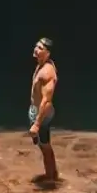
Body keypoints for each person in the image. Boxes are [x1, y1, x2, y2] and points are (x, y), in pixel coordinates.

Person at [28, 37, 59, 184]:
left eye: (40, 48)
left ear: (48, 53)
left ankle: (51, 175)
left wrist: (37, 124)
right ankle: (52, 172)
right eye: (36, 46)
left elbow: (46, 101)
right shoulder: (41, 65)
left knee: (45, 145)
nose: (36, 49)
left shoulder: (47, 72)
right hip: (36, 111)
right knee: (41, 144)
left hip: (43, 114)